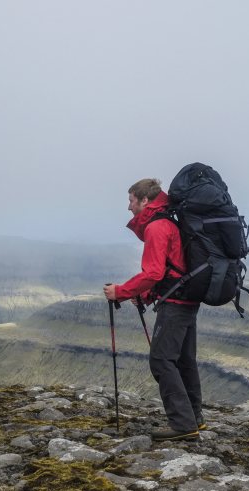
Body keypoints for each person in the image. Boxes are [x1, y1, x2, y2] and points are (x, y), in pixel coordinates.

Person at [103, 178, 205, 441]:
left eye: (131, 200)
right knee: (183, 360)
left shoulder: (157, 226)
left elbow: (154, 272)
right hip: (187, 299)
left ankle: (183, 424)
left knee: (161, 360)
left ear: (144, 200)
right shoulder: (169, 221)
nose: (128, 207)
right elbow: (174, 268)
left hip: (175, 305)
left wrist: (122, 291)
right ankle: (195, 418)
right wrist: (146, 295)